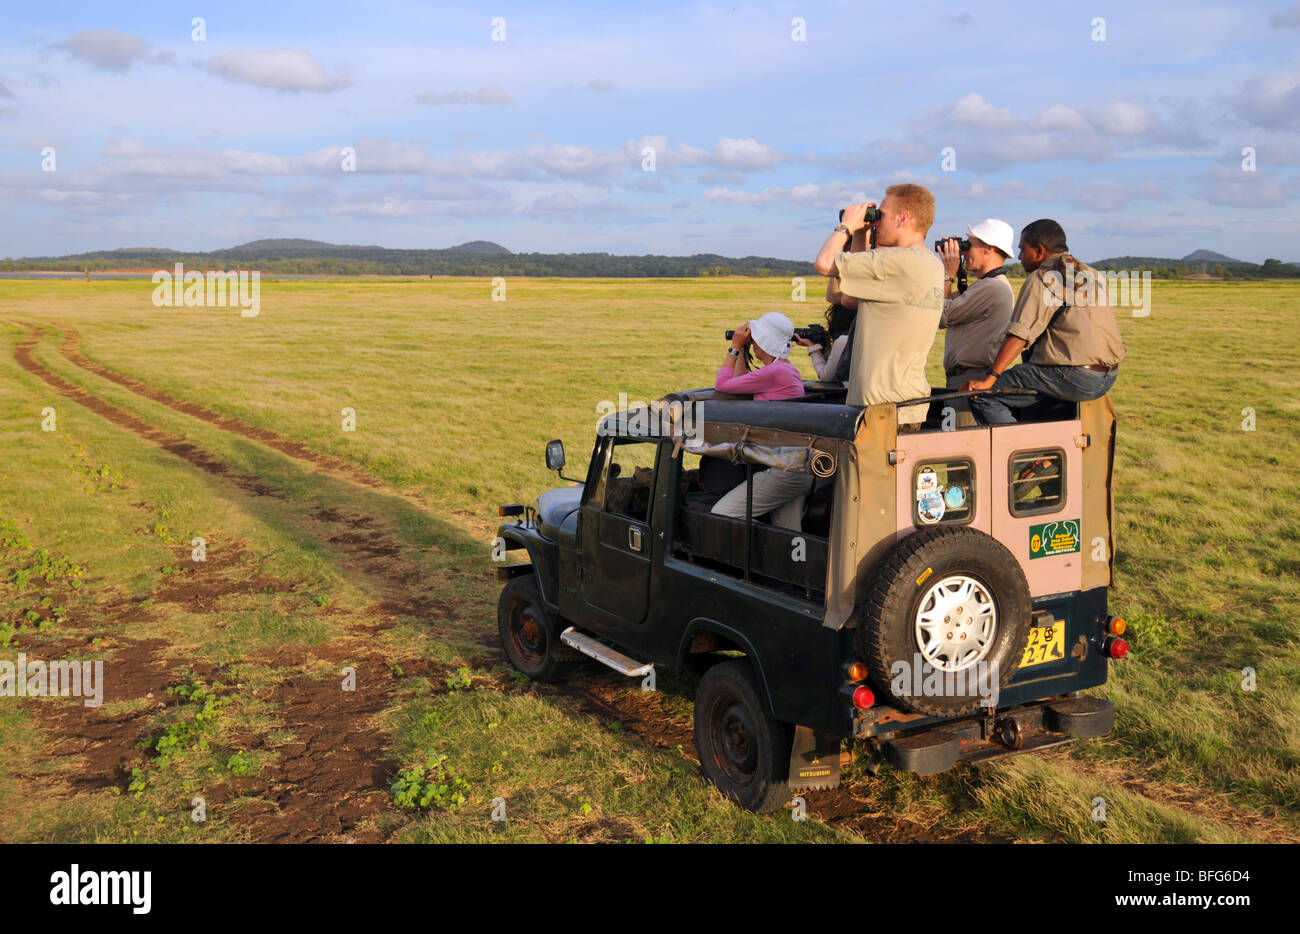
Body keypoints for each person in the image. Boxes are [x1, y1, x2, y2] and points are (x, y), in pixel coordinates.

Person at [961, 219, 1126, 424]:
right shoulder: (1092, 274)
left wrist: (990, 378)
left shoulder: (1043, 276)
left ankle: (1021, 454)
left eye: (1023, 250)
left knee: (983, 397)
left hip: (1074, 376)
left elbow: (1019, 335)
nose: (1019, 257)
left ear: (1039, 251)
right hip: (1107, 377)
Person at [812, 183, 944, 429]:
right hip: (904, 404)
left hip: (882, 409)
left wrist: (847, 226)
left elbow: (823, 263)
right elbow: (850, 299)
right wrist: (862, 234)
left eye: (881, 215)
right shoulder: (930, 264)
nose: (877, 222)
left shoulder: (896, 261)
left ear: (903, 217)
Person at [710, 312, 812, 529]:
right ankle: (790, 562)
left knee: (723, 514)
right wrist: (743, 351)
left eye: (755, 340)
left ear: (765, 342)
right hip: (796, 467)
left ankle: (748, 557)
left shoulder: (776, 373)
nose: (753, 345)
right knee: (787, 530)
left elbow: (723, 385)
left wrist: (734, 348)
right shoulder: (783, 370)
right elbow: (738, 383)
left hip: (785, 469)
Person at [937, 219, 1015, 390]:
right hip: (966, 378)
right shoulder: (987, 284)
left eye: (969, 245)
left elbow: (941, 316)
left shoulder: (992, 287)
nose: (964, 252)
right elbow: (946, 305)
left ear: (989, 249)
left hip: (971, 379)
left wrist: (949, 274)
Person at [795, 302, 855, 384]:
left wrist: (813, 348)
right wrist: (826, 346)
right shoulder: (862, 334)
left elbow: (827, 377)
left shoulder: (843, 340)